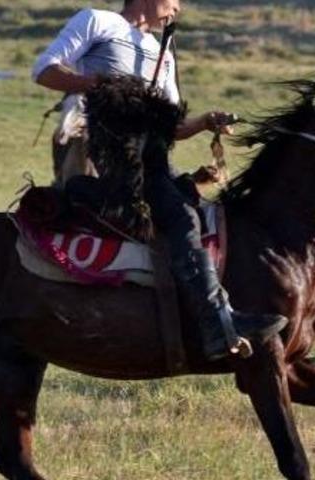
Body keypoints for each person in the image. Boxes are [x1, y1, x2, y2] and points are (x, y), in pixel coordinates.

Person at [32, 0, 287, 361]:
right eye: (174, 1)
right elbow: (43, 70)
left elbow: (172, 127)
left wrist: (203, 122)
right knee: (182, 219)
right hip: (121, 162)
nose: (177, 9)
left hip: (157, 161)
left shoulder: (160, 51)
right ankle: (216, 325)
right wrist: (99, 84)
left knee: (206, 210)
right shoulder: (98, 22)